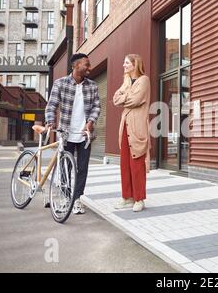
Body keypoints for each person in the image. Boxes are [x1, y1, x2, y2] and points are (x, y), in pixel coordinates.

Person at [45, 53, 101, 215]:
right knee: (64, 167)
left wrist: (90, 123)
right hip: (66, 133)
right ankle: (65, 198)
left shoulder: (92, 85)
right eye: (86, 64)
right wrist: (51, 121)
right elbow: (51, 106)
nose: (89, 67)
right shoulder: (60, 83)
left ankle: (77, 199)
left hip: (85, 135)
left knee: (82, 169)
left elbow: (97, 107)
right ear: (75, 66)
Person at [113, 54, 151, 212]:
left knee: (137, 165)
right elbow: (115, 99)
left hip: (137, 127)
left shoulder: (144, 80)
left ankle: (139, 199)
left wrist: (124, 96)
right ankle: (127, 197)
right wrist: (126, 96)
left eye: (127, 63)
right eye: (124, 62)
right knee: (124, 164)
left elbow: (135, 101)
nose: (124, 65)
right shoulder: (126, 81)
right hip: (125, 126)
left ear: (135, 64)